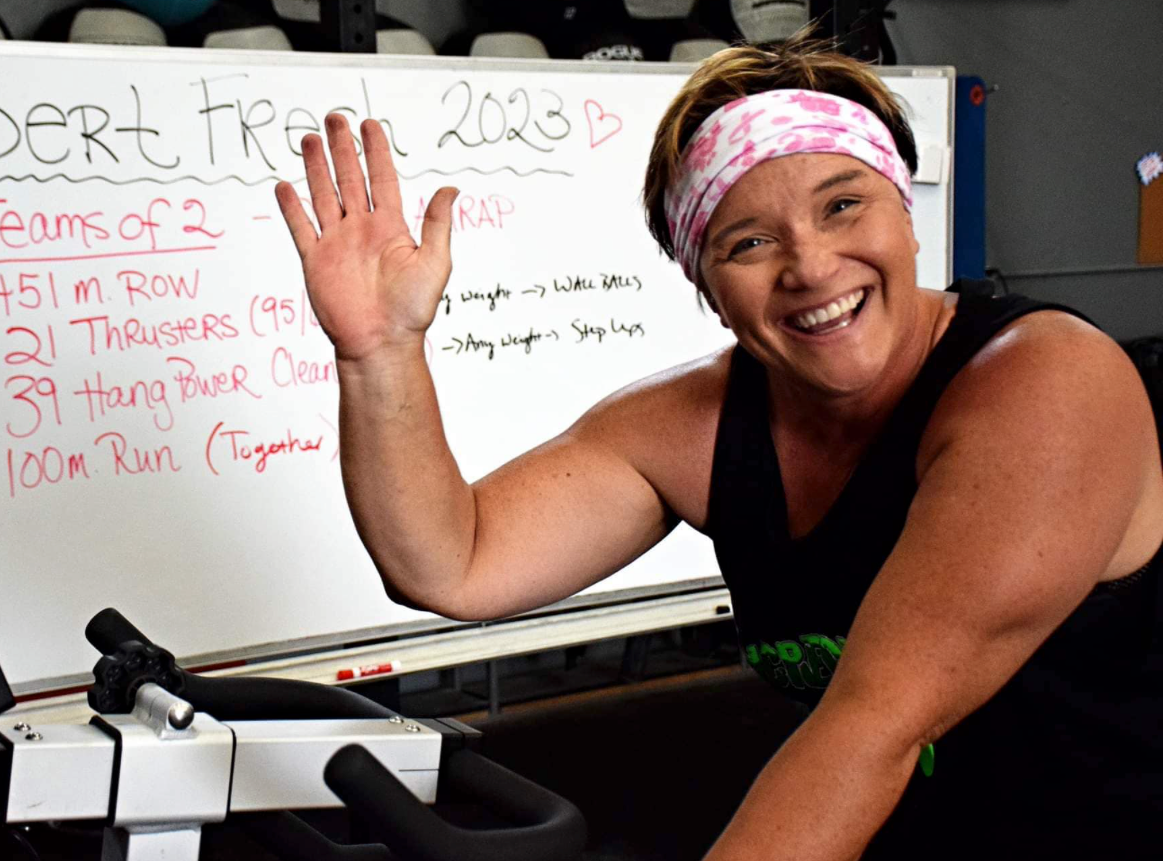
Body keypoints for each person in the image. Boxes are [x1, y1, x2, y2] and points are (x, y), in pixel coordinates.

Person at [274, 33, 1163, 861]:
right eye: (749, 242)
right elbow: (450, 560)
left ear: (904, 210)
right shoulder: (696, 424)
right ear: (706, 285)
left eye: (844, 205)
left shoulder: (1046, 383)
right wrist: (379, 350)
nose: (811, 266)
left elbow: (875, 724)